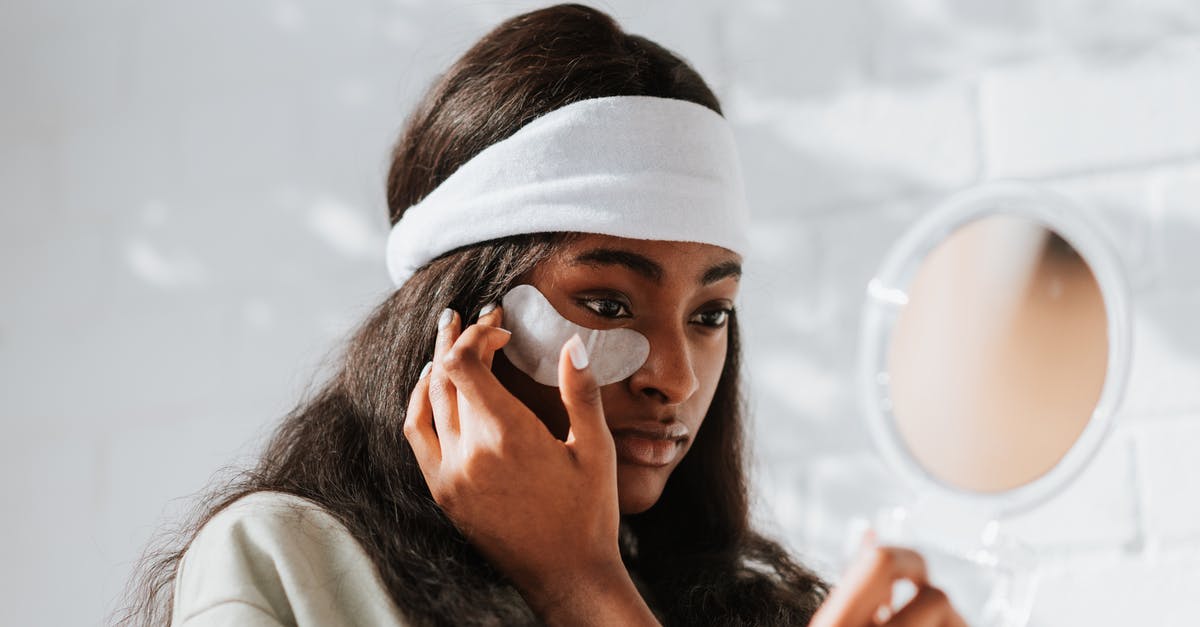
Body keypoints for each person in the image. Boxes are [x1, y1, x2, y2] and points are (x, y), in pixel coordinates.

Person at [114, 4, 965, 626]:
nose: (674, 373)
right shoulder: (283, 562)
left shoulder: (758, 609)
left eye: (711, 313)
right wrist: (580, 583)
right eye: (605, 302)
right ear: (460, 322)